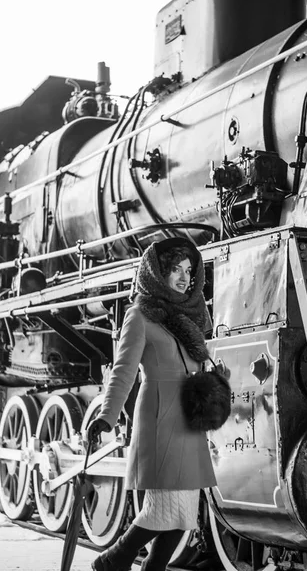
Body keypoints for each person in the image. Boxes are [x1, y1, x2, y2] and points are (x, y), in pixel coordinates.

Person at [87, 236, 216, 571]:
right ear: (158, 272)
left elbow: (197, 367)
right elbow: (123, 370)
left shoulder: (192, 317)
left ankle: (145, 566)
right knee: (162, 508)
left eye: (189, 270)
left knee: (183, 512)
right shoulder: (140, 315)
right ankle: (114, 558)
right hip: (160, 416)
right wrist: (106, 416)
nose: (185, 277)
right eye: (176, 269)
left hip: (189, 418)